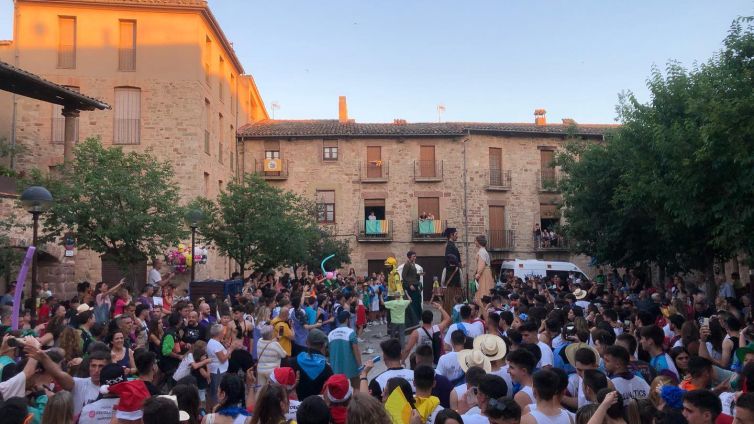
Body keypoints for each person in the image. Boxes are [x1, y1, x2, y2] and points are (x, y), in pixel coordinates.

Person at [292, 329, 334, 400]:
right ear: (323, 345)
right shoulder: (327, 369)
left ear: (306, 343)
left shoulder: (293, 361)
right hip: (317, 407)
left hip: (297, 407)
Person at [328, 310, 362, 388]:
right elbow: (356, 352)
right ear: (347, 320)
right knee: (356, 387)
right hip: (351, 365)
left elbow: (330, 351)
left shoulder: (331, 333)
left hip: (336, 367)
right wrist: (360, 367)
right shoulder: (350, 332)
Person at [442, 228, 463, 313]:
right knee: (452, 300)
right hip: (453, 278)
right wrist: (457, 265)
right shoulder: (450, 246)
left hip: (454, 275)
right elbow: (450, 260)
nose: (457, 236)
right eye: (456, 234)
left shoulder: (452, 245)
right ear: (451, 235)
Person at [401, 251, 422, 328]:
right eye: (413, 256)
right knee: (412, 303)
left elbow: (412, 275)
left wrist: (419, 275)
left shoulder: (413, 264)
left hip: (415, 284)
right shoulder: (407, 265)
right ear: (409, 257)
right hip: (410, 286)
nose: (415, 257)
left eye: (415, 256)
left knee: (417, 302)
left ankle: (417, 318)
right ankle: (413, 320)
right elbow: (404, 276)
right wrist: (409, 284)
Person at [473, 235, 494, 305]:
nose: (474, 242)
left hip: (484, 274)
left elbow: (481, 265)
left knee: (483, 292)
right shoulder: (484, 251)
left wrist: (478, 274)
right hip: (486, 272)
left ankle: (482, 310)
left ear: (479, 242)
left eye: (475, 241)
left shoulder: (482, 251)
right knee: (485, 291)